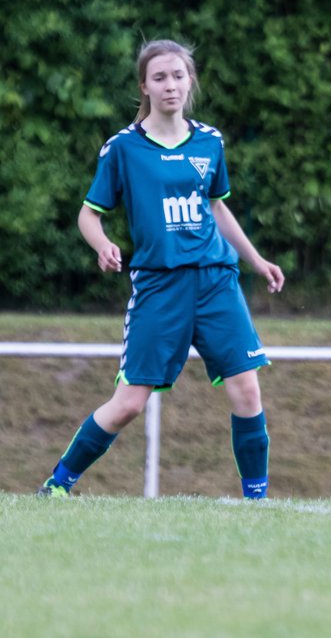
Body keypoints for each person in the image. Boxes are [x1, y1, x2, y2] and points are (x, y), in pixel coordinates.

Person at [37, 40, 285, 500]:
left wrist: (255, 260)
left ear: (190, 81)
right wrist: (103, 244)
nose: (170, 85)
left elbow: (217, 208)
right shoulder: (123, 149)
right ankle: (57, 485)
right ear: (144, 87)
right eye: (159, 77)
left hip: (215, 281)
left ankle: (257, 501)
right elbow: (88, 215)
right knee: (129, 404)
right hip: (159, 287)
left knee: (248, 392)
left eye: (177, 75)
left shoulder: (210, 141)